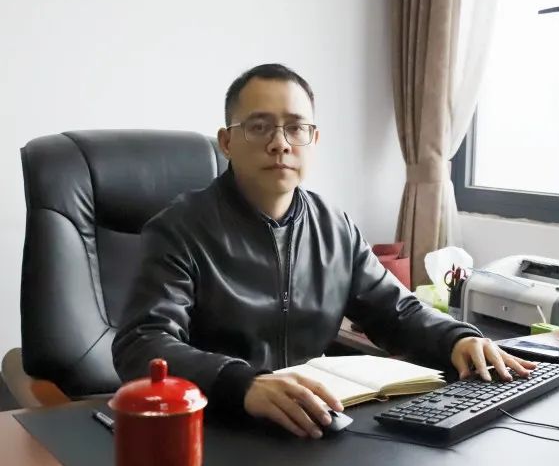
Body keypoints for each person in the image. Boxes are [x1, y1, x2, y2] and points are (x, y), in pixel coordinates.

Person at [112, 63, 536, 439]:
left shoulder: (333, 227)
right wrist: (243, 385)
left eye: (296, 128)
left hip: (312, 422)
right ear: (227, 142)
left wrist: (458, 338)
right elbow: (142, 343)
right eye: (259, 127)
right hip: (216, 428)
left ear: (313, 139)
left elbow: (397, 312)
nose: (280, 143)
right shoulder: (180, 228)